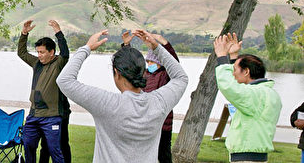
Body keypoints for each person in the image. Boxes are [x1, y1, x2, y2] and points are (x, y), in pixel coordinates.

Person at [56, 29, 188, 162]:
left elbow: (64, 80)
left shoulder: (106, 103)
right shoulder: (158, 103)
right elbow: (181, 77)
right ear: (143, 73)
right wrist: (156, 47)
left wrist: (87, 48)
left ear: (116, 73)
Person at [213, 33, 282, 162]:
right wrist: (233, 57)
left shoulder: (257, 94)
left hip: (246, 159)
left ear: (246, 72)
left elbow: (230, 87)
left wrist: (222, 58)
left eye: (234, 70)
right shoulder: (266, 93)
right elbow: (240, 91)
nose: (232, 74)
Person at [122, 31, 179, 163]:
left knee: (163, 156)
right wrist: (126, 45)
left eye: (152, 61)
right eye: (147, 61)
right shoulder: (144, 74)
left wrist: (162, 42)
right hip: (144, 122)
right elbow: (129, 66)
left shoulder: (166, 75)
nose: (149, 64)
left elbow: (174, 62)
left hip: (163, 124)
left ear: (160, 63)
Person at [17, 19, 70, 163]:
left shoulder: (58, 63)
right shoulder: (36, 63)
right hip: (34, 115)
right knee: (28, 144)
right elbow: (21, 53)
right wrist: (24, 34)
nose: (39, 55)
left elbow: (65, 52)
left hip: (52, 116)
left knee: (54, 150)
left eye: (42, 52)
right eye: (38, 52)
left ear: (51, 52)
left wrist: (58, 32)